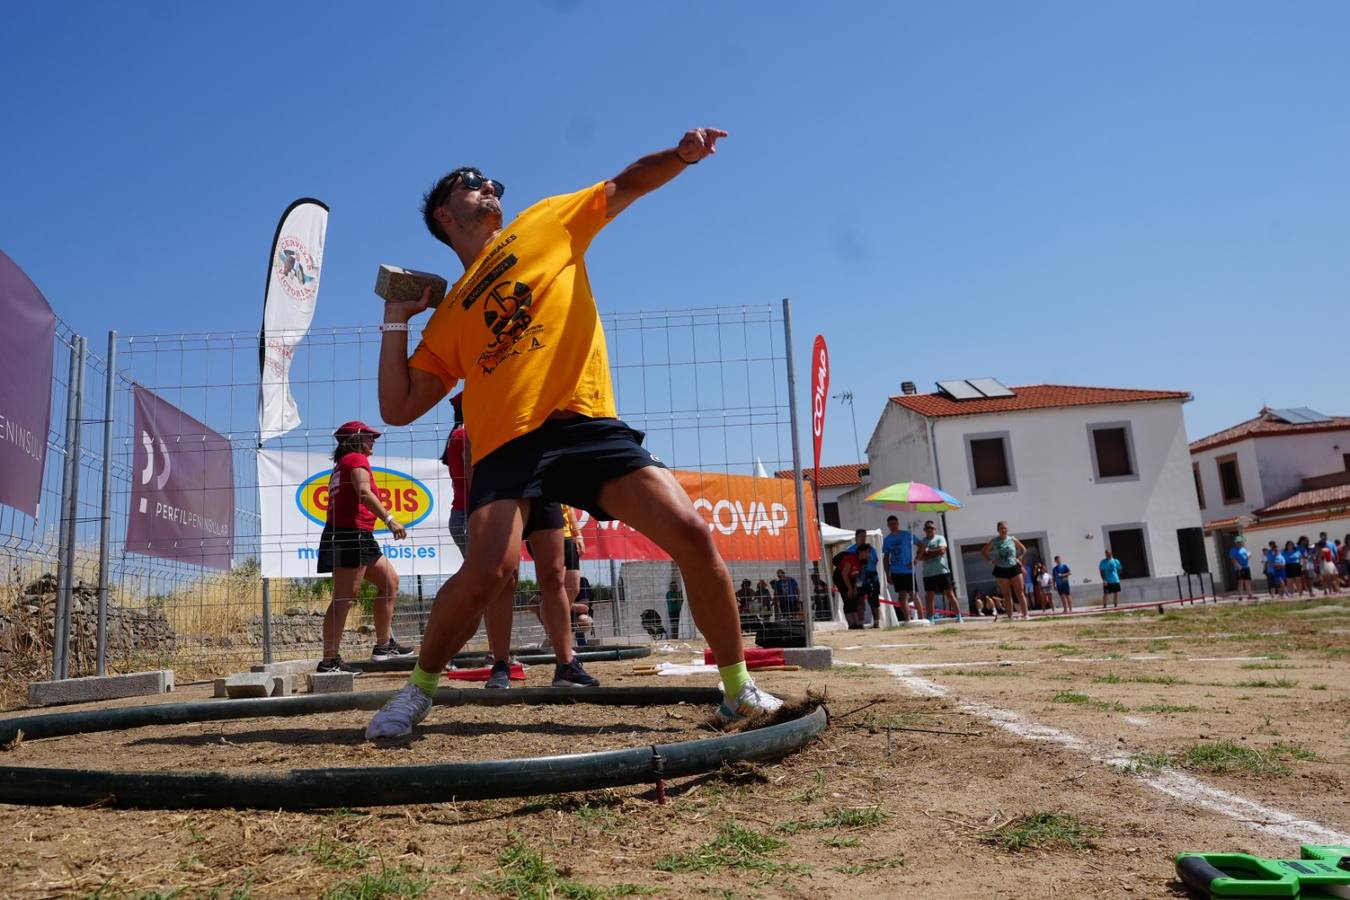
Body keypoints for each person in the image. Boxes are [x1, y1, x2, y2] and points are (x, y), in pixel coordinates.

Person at [367, 127, 782, 739]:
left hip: (585, 424)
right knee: (489, 572)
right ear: (443, 214)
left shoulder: (544, 221)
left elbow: (626, 184)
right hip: (508, 443)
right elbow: (398, 407)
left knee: (693, 534)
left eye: (491, 183)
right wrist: (395, 320)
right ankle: (417, 693)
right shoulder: (451, 313)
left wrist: (682, 156)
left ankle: (736, 689)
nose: (488, 187)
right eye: (471, 181)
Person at [447, 393, 596, 690]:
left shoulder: (538, 389)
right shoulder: (483, 400)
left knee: (554, 576)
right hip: (501, 488)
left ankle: (566, 664)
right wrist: (479, 504)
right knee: (504, 579)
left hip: (543, 487)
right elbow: (471, 456)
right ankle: (500, 664)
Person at [316, 421, 414, 673]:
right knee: (344, 598)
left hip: (357, 533)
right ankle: (329, 662)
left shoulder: (343, 463)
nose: (374, 440)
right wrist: (390, 519)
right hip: (351, 534)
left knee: (389, 581)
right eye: (369, 436)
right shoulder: (355, 459)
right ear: (356, 439)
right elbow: (362, 491)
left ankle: (384, 646)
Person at [981, 522, 1028, 620]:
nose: (1003, 530)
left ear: (1007, 529)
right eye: (1001, 528)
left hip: (1014, 567)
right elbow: (984, 551)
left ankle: (1025, 614)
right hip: (1001, 569)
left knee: (1020, 592)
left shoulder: (1012, 539)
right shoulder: (994, 541)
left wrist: (1019, 557)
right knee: (1007, 595)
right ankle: (1010, 617)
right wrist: (990, 561)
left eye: (1005, 528)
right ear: (998, 530)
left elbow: (1023, 549)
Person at [916, 520, 959, 621]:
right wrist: (931, 553)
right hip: (928, 573)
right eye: (927, 528)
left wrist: (927, 552)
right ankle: (931, 618)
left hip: (942, 571)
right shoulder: (922, 542)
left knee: (950, 594)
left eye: (931, 528)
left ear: (935, 529)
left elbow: (942, 551)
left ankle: (959, 616)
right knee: (929, 596)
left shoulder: (940, 538)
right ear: (924, 530)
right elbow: (919, 557)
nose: (929, 530)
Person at [882, 516, 916, 623]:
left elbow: (921, 544)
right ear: (888, 526)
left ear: (898, 523)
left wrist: (916, 560)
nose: (893, 526)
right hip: (896, 571)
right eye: (891, 524)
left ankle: (922, 617)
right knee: (902, 596)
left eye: (895, 523)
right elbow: (886, 558)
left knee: (914, 594)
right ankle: (907, 619)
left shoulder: (906, 535)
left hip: (908, 570)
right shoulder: (887, 540)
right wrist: (887, 574)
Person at [832, 547, 862, 629]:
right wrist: (849, 588)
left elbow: (857, 575)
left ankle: (856, 623)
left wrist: (855, 588)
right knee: (848, 599)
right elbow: (844, 574)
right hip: (840, 577)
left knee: (854, 599)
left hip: (850, 576)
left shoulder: (862, 562)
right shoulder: (851, 558)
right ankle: (851, 624)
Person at [854, 544, 882, 628]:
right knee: (860, 601)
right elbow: (856, 573)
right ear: (859, 552)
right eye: (864, 552)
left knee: (874, 601)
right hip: (861, 579)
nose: (867, 553)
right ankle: (860, 623)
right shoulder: (857, 559)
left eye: (868, 552)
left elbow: (876, 561)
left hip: (872, 578)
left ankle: (876, 622)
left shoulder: (871, 559)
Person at [1229, 535, 1253, 600]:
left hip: (1246, 567)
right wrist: (1239, 566)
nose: (1239, 543)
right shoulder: (1233, 550)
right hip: (1239, 568)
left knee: (1247, 581)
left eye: (1240, 542)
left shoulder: (1244, 549)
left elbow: (1247, 556)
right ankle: (1240, 596)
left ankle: (1250, 595)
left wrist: (1249, 555)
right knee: (1240, 582)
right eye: (1238, 542)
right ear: (1235, 543)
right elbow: (1233, 560)